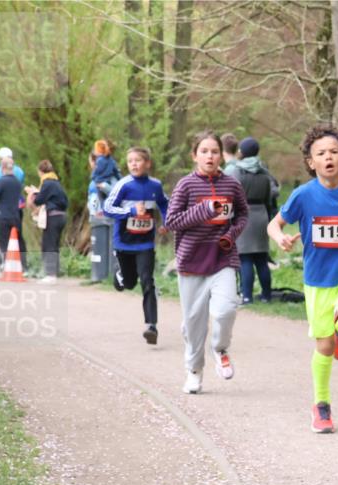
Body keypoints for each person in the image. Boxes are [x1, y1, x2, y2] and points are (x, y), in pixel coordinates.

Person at [267, 124, 338, 434]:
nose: (328, 157)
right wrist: (280, 238)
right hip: (317, 282)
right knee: (325, 348)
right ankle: (321, 405)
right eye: (321, 153)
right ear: (311, 162)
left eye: (334, 152)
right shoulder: (303, 195)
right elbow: (273, 225)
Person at [163, 130, 248, 394]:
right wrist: (204, 210)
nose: (210, 156)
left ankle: (220, 349)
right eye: (204, 151)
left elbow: (243, 214)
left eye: (214, 151)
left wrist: (231, 235)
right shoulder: (186, 185)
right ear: (194, 155)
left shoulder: (231, 185)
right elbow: (171, 221)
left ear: (221, 155)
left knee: (226, 309)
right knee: (193, 325)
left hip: (223, 258)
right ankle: (194, 371)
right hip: (192, 262)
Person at [103, 147, 170, 345]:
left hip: (145, 243)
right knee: (129, 283)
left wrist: (167, 222)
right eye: (130, 161)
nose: (133, 164)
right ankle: (120, 274)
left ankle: (151, 326)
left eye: (138, 160)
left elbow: (165, 204)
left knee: (147, 281)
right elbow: (107, 208)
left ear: (147, 163)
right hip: (124, 242)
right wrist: (130, 211)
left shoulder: (155, 185)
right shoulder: (124, 185)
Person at [225, 136, 279, 304]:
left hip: (244, 215)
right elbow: (271, 194)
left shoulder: (237, 171)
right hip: (261, 215)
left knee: (245, 258)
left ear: (242, 152)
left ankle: (247, 296)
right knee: (262, 258)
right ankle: (266, 295)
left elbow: (231, 195)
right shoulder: (264, 172)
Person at [26, 160, 68, 283]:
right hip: (61, 216)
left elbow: (39, 200)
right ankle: (55, 271)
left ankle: (50, 274)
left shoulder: (47, 183)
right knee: (54, 244)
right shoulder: (56, 182)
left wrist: (32, 193)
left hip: (53, 216)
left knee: (48, 244)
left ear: (40, 171)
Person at [0, 156, 26, 272]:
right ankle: (23, 266)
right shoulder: (17, 182)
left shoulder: (2, 181)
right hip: (16, 216)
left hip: (3, 216)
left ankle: (4, 266)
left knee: (4, 242)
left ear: (2, 168)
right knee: (18, 241)